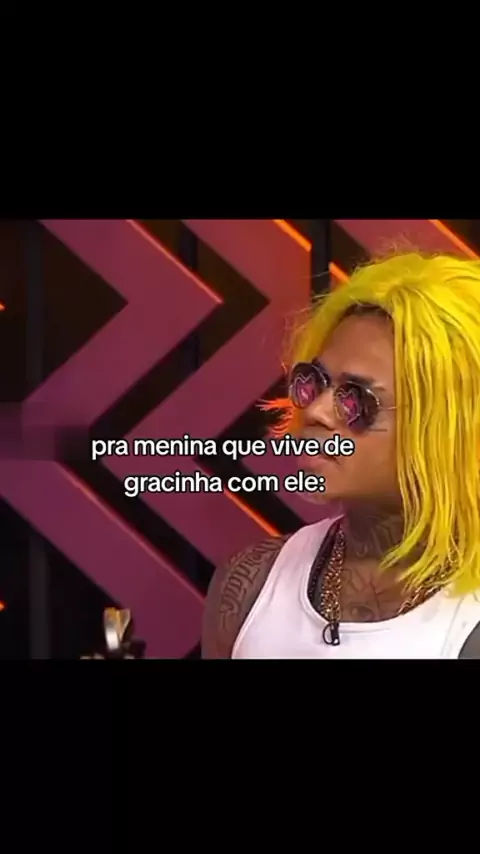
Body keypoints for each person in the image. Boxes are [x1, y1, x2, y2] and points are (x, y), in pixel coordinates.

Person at [202, 250, 480, 659]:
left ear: (449, 425)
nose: (315, 411)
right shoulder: (248, 585)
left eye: (356, 398)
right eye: (314, 381)